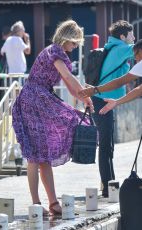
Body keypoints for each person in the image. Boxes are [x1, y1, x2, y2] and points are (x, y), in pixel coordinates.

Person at [12, 19, 93, 215]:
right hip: (34, 99)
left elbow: (69, 87)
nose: (75, 47)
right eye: (74, 43)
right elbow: (67, 77)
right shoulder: (55, 51)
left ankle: (52, 203)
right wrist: (86, 96)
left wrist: (83, 99)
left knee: (42, 155)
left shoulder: (57, 53)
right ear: (67, 38)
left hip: (38, 98)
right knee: (35, 155)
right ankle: (37, 203)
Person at [84, 20, 135, 197]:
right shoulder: (121, 48)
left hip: (105, 100)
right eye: (131, 35)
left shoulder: (114, 47)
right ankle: (107, 187)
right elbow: (139, 50)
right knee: (106, 145)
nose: (134, 38)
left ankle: (110, 184)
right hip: (101, 100)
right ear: (123, 36)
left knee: (108, 144)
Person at [79, 39, 142, 111]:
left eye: (136, 54)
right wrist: (116, 102)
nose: (136, 58)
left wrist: (95, 90)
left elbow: (120, 82)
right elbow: (139, 90)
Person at [1, 21, 31, 85]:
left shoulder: (8, 40)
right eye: (23, 30)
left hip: (11, 73)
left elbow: (2, 52)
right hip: (19, 73)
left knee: (14, 93)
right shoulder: (18, 40)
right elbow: (28, 51)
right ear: (19, 31)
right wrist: (27, 39)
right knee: (20, 93)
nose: (24, 32)